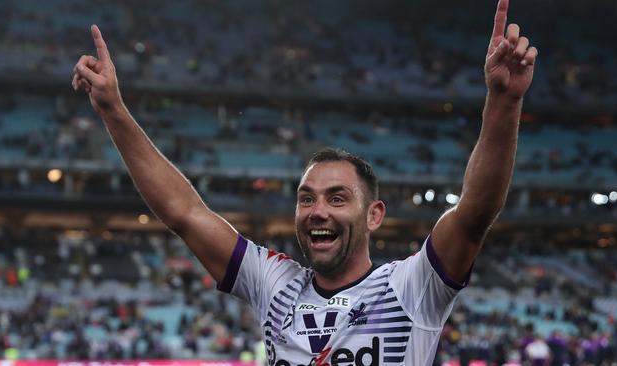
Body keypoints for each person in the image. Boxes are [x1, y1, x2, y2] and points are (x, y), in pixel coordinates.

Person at [71, 0, 537, 364]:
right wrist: (113, 109)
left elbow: (475, 212)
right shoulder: (276, 285)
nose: (318, 211)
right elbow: (185, 213)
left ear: (374, 214)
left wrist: (503, 101)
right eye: (306, 198)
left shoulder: (413, 287)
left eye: (338, 198)